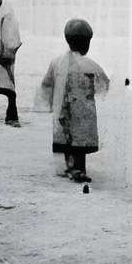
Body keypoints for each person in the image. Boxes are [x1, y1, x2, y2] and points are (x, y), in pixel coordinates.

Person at [40, 17, 110, 181]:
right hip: (83, 112)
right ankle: (79, 169)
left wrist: (49, 101)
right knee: (80, 141)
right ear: (87, 43)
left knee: (65, 138)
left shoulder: (57, 62)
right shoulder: (90, 65)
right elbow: (104, 85)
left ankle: (70, 168)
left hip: (62, 109)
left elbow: (47, 83)